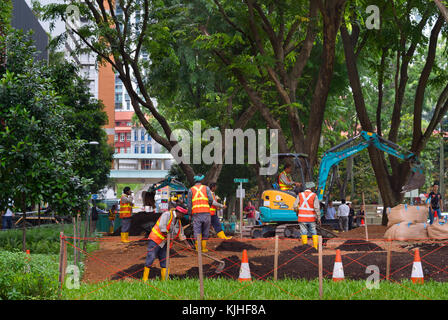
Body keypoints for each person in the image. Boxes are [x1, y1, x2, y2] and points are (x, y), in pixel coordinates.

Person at [142, 204, 187, 282]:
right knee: (151, 257)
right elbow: (162, 227)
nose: (183, 216)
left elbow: (181, 234)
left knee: (164, 260)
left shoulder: (178, 222)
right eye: (183, 214)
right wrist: (169, 237)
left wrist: (187, 245)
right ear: (179, 212)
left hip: (165, 242)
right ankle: (145, 280)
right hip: (155, 240)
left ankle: (164, 281)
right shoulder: (167, 215)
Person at [187, 174, 214, 252]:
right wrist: (207, 206)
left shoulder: (191, 190)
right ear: (201, 180)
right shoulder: (206, 188)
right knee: (206, 230)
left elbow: (189, 204)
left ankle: (198, 249)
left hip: (196, 214)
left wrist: (189, 214)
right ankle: (204, 248)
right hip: (206, 213)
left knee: (197, 230)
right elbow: (211, 199)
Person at [293, 182, 320, 249]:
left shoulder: (300, 195)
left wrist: (297, 212)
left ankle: (305, 247)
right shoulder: (314, 195)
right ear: (311, 188)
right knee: (313, 232)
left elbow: (295, 206)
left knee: (303, 232)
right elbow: (316, 208)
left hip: (302, 218)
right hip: (311, 218)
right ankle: (315, 248)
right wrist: (319, 218)